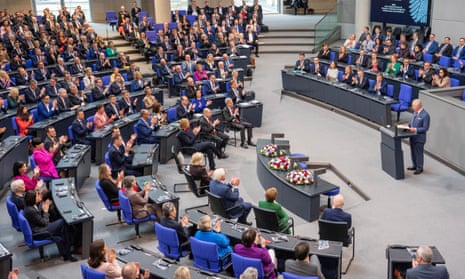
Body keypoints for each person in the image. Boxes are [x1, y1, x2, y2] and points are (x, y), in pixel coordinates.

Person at [23, 190, 77, 262]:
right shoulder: (31, 211)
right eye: (37, 196)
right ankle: (68, 252)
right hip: (40, 232)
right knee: (63, 222)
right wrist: (46, 211)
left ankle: (66, 252)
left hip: (40, 228)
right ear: (33, 199)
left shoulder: (30, 206)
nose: (39, 196)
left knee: (64, 228)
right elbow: (44, 223)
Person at [406, 99, 430, 175]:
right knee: (413, 152)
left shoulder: (425, 115)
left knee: (418, 153)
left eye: (413, 106)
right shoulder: (414, 113)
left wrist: (415, 129)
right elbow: (411, 123)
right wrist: (407, 126)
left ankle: (419, 168)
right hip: (412, 136)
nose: (412, 107)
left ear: (418, 106)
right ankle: (414, 165)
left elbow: (425, 128)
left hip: (419, 138)